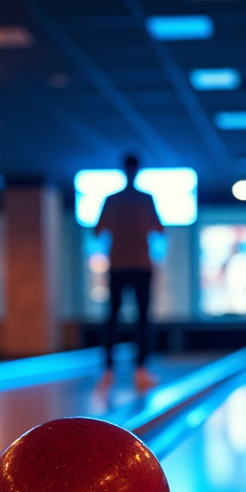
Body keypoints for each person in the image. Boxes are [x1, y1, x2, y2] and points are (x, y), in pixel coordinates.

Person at [95, 153, 164, 390]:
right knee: (143, 318)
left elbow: (97, 231)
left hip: (118, 265)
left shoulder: (111, 200)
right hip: (141, 266)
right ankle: (141, 369)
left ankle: (108, 370)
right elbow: (160, 229)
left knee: (112, 317)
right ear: (137, 170)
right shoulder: (146, 199)